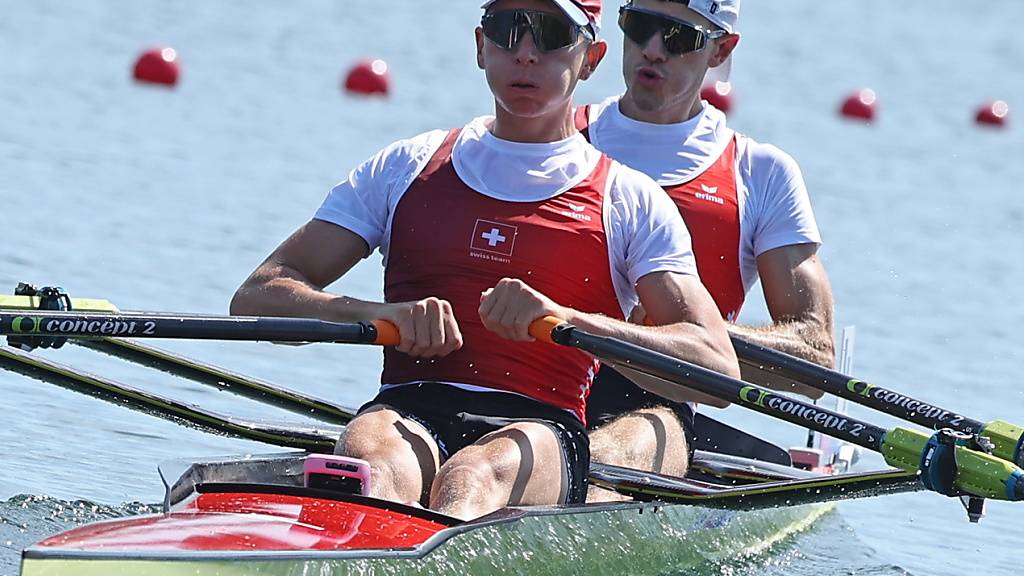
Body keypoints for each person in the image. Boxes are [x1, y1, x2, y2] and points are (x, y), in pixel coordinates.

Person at [231, 0, 740, 521]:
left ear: (591, 59)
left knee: (470, 477)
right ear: (480, 46)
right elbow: (256, 296)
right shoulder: (407, 166)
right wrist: (374, 315)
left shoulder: (629, 199)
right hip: (407, 408)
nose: (524, 53)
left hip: (541, 427)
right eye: (506, 29)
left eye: (550, 34)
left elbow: (715, 366)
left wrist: (566, 322)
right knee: (375, 465)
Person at [577, 0, 836, 493]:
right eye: (641, 27)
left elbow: (813, 359)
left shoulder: (760, 174)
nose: (652, 50)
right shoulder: (555, 135)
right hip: (527, 387)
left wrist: (681, 336)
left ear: (721, 50)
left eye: (679, 38)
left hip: (654, 409)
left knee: (613, 448)